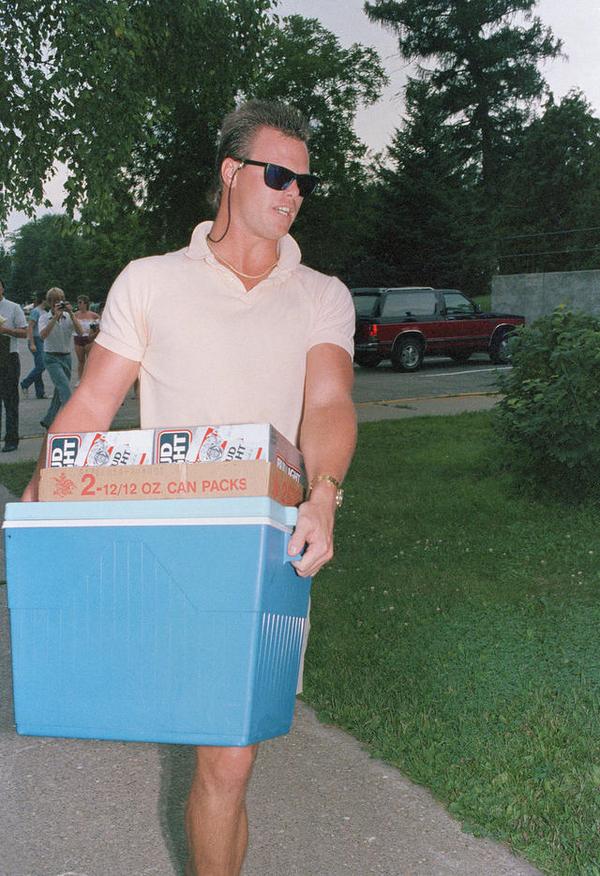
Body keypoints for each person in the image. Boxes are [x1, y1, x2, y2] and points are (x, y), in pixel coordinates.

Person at [23, 99, 357, 876]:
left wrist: (324, 494)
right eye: (279, 174)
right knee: (207, 749)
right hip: (170, 543)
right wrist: (49, 486)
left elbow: (330, 404)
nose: (294, 191)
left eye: (305, 182)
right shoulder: (150, 282)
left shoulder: (322, 293)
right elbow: (92, 405)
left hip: (261, 552)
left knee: (228, 761)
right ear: (231, 175)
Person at [38, 287, 84, 430]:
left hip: (66, 356)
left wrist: (70, 312)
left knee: (59, 391)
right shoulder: (44, 317)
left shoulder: (69, 316)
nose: (58, 304)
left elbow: (80, 332)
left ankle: (48, 420)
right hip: (51, 357)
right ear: (50, 303)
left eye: (60, 301)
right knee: (64, 388)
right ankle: (72, 420)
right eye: (55, 302)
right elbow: (43, 335)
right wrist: (55, 318)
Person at [0, 277, 28, 452]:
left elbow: (24, 332)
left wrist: (5, 330)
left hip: (8, 358)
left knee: (10, 401)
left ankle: (11, 439)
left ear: (2, 288)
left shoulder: (13, 307)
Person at [20, 291, 48, 399]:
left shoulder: (44, 312)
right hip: (35, 340)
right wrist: (31, 343)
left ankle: (40, 392)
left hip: (41, 340)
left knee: (39, 366)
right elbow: (30, 327)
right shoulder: (36, 311)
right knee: (41, 365)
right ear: (44, 300)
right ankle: (25, 383)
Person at [72, 295, 100, 382]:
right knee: (81, 361)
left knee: (90, 361)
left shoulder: (93, 315)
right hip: (78, 338)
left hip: (89, 338)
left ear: (86, 304)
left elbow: (98, 327)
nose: (79, 304)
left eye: (80, 302)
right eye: (78, 302)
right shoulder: (75, 315)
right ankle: (80, 379)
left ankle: (90, 379)